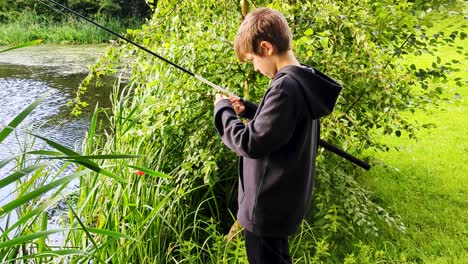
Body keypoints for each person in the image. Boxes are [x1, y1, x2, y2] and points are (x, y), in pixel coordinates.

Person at [213, 7, 342, 264]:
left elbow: (249, 142)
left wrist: (222, 111)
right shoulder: (302, 80)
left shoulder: (284, 87)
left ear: (266, 47)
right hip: (282, 201)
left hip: (267, 206)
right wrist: (247, 109)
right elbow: (280, 125)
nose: (255, 67)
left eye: (252, 59)